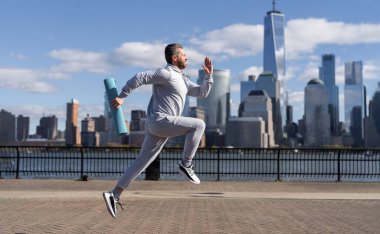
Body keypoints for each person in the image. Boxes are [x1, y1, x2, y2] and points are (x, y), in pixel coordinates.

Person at [103, 43, 213, 218]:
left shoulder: (183, 80)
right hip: (160, 120)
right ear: (174, 57)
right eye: (183, 54)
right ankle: (186, 164)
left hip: (159, 127)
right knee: (199, 125)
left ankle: (114, 194)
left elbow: (202, 92)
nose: (187, 57)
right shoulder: (166, 73)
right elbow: (140, 77)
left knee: (141, 163)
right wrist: (122, 96)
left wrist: (208, 76)